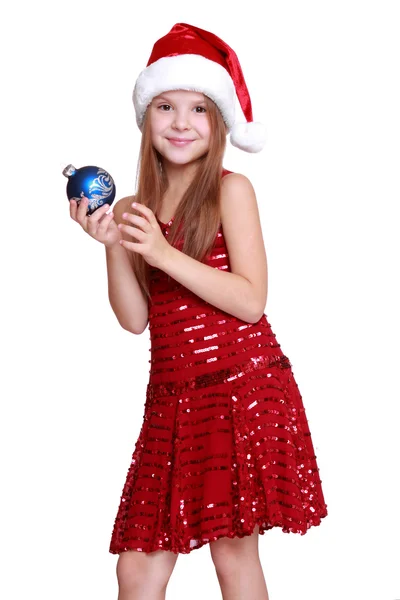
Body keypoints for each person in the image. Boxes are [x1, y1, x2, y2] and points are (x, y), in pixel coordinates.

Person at [70, 22, 328, 600]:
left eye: (198, 109)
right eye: (166, 106)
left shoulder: (231, 192)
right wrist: (114, 244)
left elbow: (251, 299)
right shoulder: (134, 206)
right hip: (171, 398)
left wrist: (162, 252)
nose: (181, 123)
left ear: (219, 124)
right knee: (137, 568)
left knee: (233, 555)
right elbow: (135, 318)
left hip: (239, 388)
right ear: (146, 116)